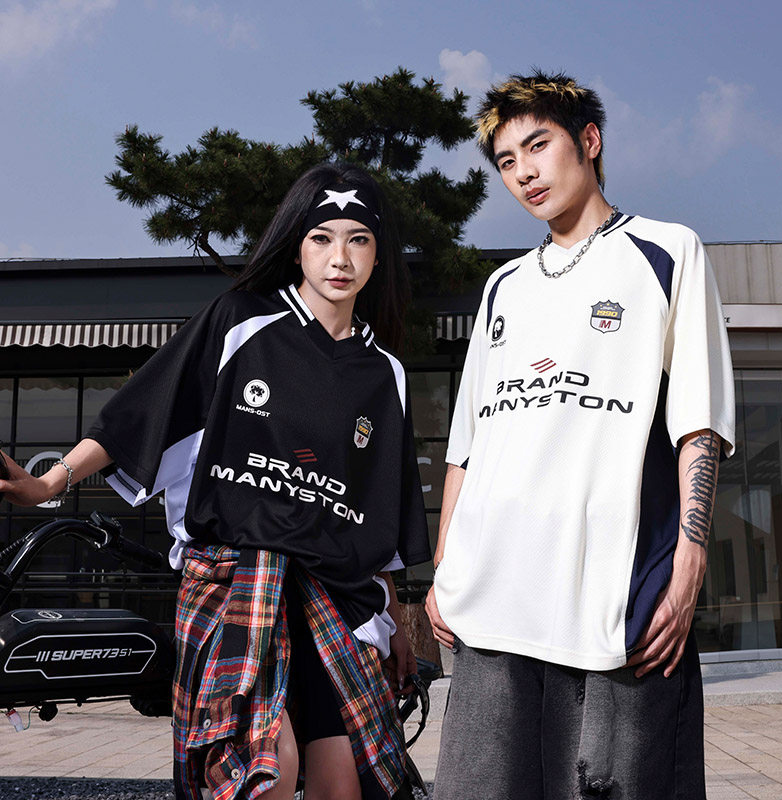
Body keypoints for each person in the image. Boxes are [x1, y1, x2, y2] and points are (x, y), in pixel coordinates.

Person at [0, 162, 431, 800]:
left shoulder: (384, 371)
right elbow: (149, 410)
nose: (340, 258)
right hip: (240, 584)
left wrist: (395, 618)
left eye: (358, 239)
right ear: (296, 244)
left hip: (338, 598)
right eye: (321, 238)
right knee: (266, 767)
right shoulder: (241, 322)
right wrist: (51, 482)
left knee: (346, 782)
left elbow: (380, 509)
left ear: (378, 253)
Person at [425, 71, 735, 800]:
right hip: (494, 602)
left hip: (611, 604)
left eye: (538, 146)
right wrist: (444, 567)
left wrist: (688, 563)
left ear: (589, 141)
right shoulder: (503, 286)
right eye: (507, 161)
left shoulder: (667, 251)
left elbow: (698, 424)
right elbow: (467, 444)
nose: (524, 172)